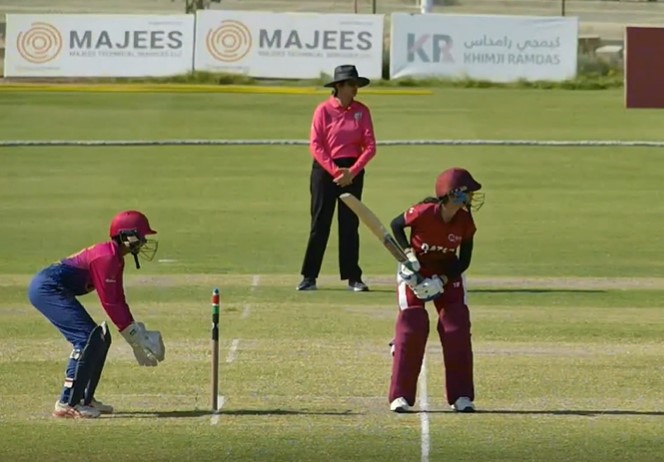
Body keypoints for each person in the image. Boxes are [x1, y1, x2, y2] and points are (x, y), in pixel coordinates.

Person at [27, 210, 166, 419]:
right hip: (47, 289)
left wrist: (134, 332)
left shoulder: (115, 258)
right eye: (141, 236)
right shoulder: (107, 257)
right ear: (126, 236)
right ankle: (67, 403)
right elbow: (110, 302)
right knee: (85, 339)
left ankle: (84, 398)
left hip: (53, 288)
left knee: (100, 338)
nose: (144, 241)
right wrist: (133, 336)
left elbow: (118, 298)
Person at [386, 167, 485, 413]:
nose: (472, 197)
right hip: (415, 270)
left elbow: (464, 261)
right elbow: (396, 225)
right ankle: (400, 396)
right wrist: (408, 255)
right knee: (412, 324)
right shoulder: (423, 212)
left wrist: (441, 279)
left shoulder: (465, 222)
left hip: (447, 273)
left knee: (456, 326)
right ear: (454, 193)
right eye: (468, 192)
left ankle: (461, 395)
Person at [297, 64, 378, 292]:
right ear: (339, 86)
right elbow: (316, 145)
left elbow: (370, 146)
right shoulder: (323, 110)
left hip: (353, 171)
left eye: (356, 84)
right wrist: (335, 171)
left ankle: (353, 277)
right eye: (351, 84)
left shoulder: (362, 111)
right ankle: (309, 276)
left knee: (350, 224)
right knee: (320, 223)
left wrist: (352, 171)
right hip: (325, 171)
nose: (355, 89)